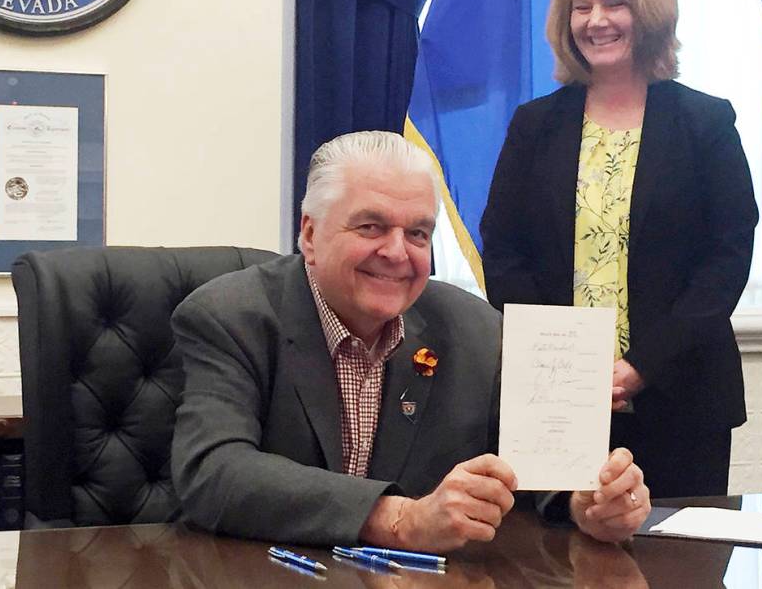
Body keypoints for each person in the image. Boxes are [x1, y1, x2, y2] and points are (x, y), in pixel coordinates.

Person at [171, 131, 650, 550]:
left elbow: (533, 460)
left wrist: (587, 501)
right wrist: (399, 518)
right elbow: (213, 472)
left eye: (418, 233)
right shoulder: (229, 317)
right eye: (370, 226)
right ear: (311, 235)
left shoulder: (475, 328)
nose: (397, 253)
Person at [480, 0, 758, 499]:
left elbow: (726, 259)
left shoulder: (705, 123)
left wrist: (640, 365)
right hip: (557, 403)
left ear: (648, 11)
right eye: (581, 8)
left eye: (614, 4)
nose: (596, 21)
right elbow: (503, 251)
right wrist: (568, 364)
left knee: (678, 569)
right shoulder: (534, 126)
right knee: (552, 568)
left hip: (682, 397)